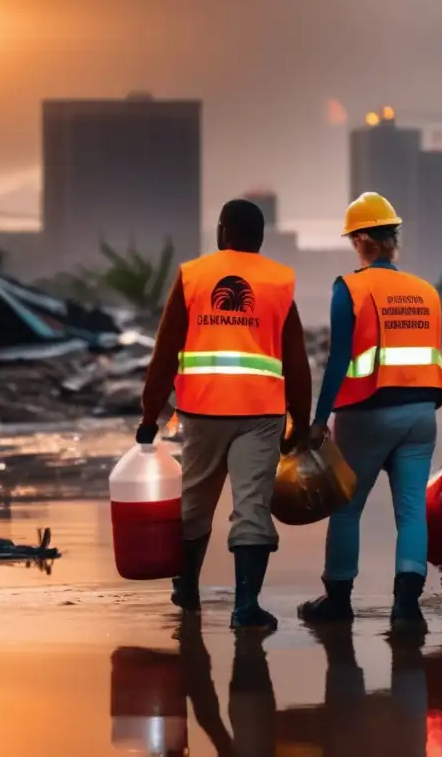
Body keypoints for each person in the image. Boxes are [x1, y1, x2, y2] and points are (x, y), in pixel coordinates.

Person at [137, 199, 312, 632]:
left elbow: (165, 351)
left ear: (222, 231)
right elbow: (297, 360)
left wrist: (149, 413)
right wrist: (301, 422)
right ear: (260, 237)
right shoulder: (278, 281)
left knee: (194, 503)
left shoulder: (193, 275)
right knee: (252, 506)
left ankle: (188, 588)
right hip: (261, 413)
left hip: (203, 409)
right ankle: (246, 606)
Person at [297, 192, 442, 633]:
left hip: (367, 414)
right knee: (411, 511)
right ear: (393, 238)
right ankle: (406, 608)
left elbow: (339, 357)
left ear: (362, 239)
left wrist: (319, 418)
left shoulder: (350, 288)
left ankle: (338, 600)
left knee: (346, 508)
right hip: (422, 413)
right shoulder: (426, 292)